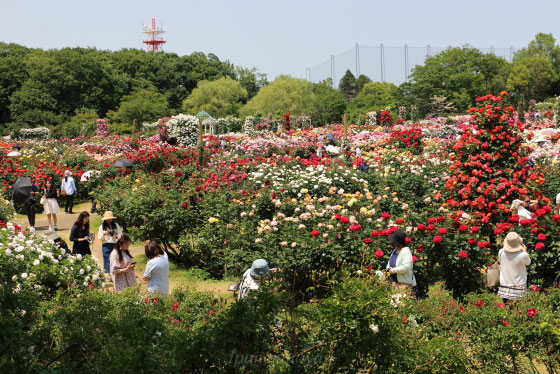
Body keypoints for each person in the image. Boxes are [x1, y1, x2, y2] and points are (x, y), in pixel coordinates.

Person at [497, 232, 531, 303]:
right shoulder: (523, 255)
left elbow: (500, 262)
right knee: (518, 311)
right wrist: (525, 252)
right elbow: (528, 263)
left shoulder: (501, 252)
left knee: (508, 311)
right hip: (518, 288)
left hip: (505, 287)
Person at [98, 211, 123, 276]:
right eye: (108, 219)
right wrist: (104, 234)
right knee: (106, 258)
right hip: (106, 244)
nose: (109, 220)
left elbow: (121, 235)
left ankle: (115, 272)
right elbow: (99, 238)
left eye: (110, 218)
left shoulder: (116, 225)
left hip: (114, 244)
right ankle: (108, 274)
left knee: (115, 258)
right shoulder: (101, 227)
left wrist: (116, 233)